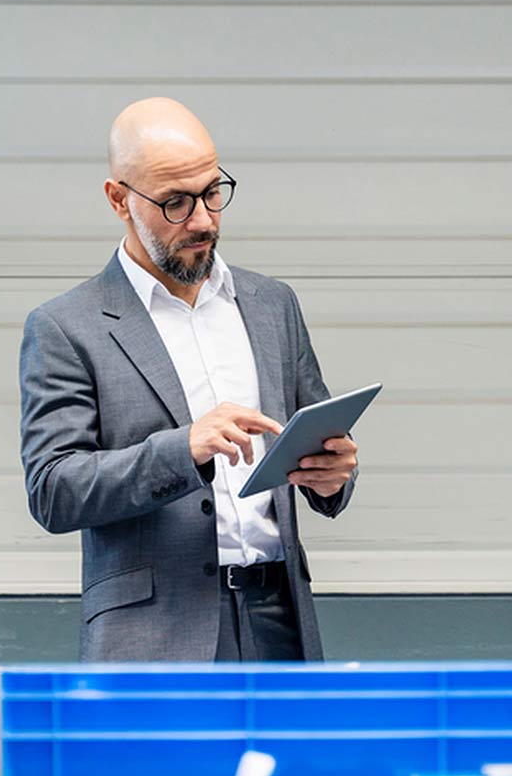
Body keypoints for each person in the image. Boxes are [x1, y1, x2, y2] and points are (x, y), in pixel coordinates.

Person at [18, 98, 358, 663]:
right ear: (119, 199)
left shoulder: (272, 304)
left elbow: (317, 438)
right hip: (153, 636)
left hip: (281, 620)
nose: (202, 220)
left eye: (212, 192)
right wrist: (184, 449)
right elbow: (54, 490)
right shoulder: (66, 326)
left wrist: (333, 475)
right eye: (175, 202)